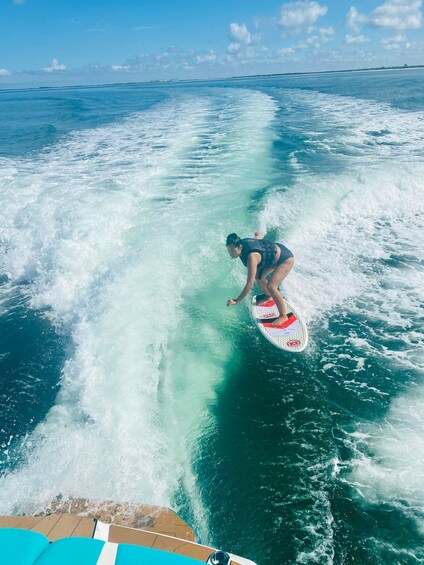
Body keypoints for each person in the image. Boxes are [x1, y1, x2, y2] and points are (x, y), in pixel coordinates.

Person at [226, 231, 294, 326]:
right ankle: (268, 295)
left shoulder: (251, 258)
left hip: (285, 259)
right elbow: (255, 242)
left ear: (240, 247)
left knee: (272, 286)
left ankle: (283, 315)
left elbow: (249, 284)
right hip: (275, 253)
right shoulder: (242, 243)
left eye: (233, 251)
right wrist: (257, 236)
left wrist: (237, 300)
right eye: (229, 251)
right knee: (259, 277)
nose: (231, 254)